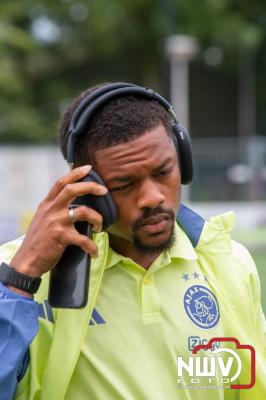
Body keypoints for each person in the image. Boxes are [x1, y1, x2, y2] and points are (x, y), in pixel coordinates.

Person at [0, 82, 265, 400]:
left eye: (163, 171)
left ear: (182, 158)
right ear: (87, 186)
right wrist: (22, 275)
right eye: (125, 184)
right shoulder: (18, 271)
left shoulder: (228, 261)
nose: (153, 197)